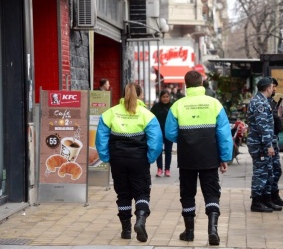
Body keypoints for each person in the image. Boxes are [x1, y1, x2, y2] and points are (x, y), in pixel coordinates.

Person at [165, 70, 232, 246]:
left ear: (186, 85)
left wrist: (185, 139)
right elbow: (224, 134)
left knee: (187, 194)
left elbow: (170, 134)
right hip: (209, 157)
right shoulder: (214, 104)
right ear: (202, 84)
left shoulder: (178, 105)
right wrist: (224, 157)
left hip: (187, 158)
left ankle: (189, 232)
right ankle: (212, 230)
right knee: (211, 192)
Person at [95, 83, 163, 242]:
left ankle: (126, 230)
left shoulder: (110, 113)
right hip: (139, 159)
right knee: (142, 192)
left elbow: (101, 139)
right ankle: (140, 220)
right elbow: (156, 141)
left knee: (123, 194)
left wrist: (106, 157)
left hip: (118, 159)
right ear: (140, 95)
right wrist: (150, 158)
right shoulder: (147, 115)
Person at [247, 77, 279, 213]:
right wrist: (268, 145)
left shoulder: (262, 101)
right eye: (272, 87)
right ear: (268, 88)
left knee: (268, 171)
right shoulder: (259, 103)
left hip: (263, 143)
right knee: (260, 173)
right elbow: (262, 126)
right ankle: (256, 202)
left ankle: (266, 199)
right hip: (259, 144)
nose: (273, 89)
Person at [268, 77, 283, 207]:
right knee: (269, 171)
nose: (275, 89)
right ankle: (267, 197)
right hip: (268, 142)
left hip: (273, 140)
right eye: (273, 86)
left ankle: (273, 195)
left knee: (276, 170)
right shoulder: (263, 102)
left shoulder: (271, 102)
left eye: (276, 87)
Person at [150, 90, 173, 177]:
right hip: (158, 132)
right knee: (159, 150)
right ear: (160, 98)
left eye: (167, 97)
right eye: (163, 97)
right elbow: (151, 118)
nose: (165, 99)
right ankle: (159, 168)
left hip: (168, 132)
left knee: (168, 151)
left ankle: (167, 169)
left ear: (169, 97)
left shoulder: (172, 107)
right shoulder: (156, 107)